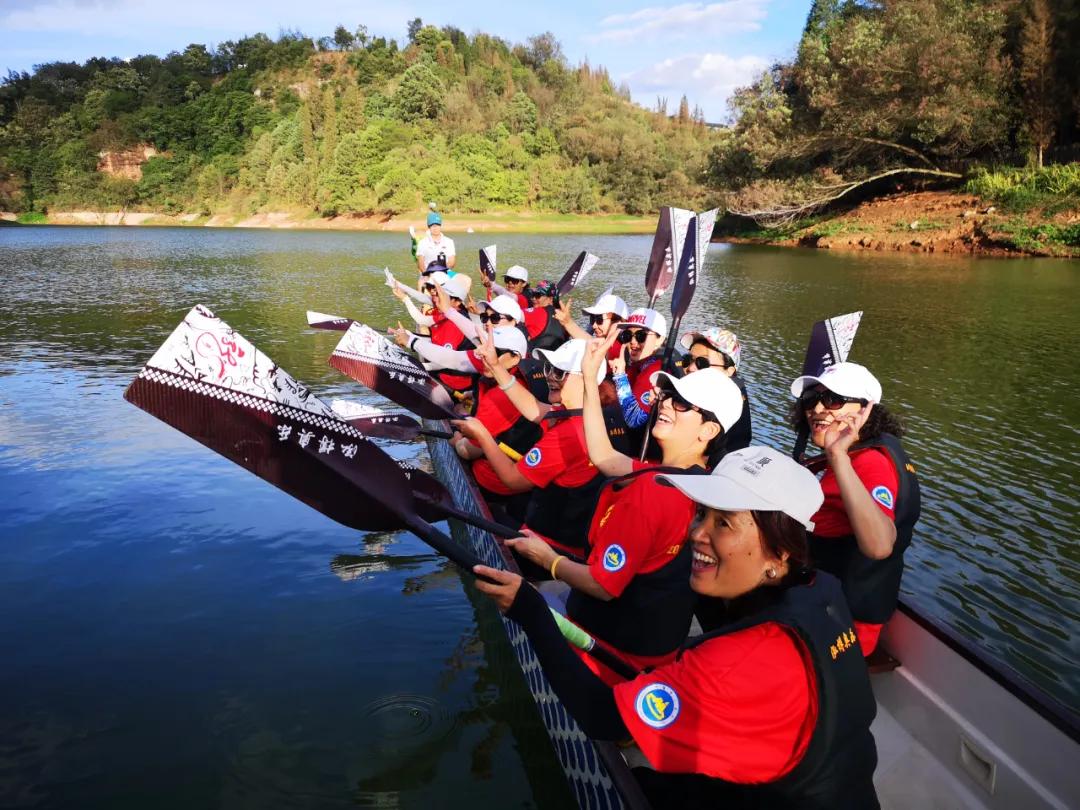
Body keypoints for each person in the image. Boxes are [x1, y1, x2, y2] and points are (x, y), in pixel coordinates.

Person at [474, 446, 880, 809]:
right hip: (840, 782)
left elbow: (602, 718)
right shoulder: (823, 590)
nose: (696, 533)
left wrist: (532, 613)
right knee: (651, 780)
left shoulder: (737, 662)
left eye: (724, 524)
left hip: (790, 796)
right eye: (702, 514)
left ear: (781, 551)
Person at [506, 334, 744, 681]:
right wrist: (589, 380)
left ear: (708, 429)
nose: (664, 404)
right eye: (669, 395)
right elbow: (604, 456)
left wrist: (547, 559)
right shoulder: (697, 477)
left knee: (518, 595)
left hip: (612, 651)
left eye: (681, 403)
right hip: (656, 645)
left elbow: (603, 586)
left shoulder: (654, 491)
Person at [789, 361, 921, 656]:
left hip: (840, 625)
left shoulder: (869, 464)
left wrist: (837, 455)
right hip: (819, 599)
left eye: (833, 400)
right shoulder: (850, 454)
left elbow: (879, 546)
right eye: (812, 400)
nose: (819, 409)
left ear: (865, 410)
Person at [452, 339, 607, 561]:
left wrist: (483, 436)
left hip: (551, 548)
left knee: (495, 513)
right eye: (550, 368)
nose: (551, 376)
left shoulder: (568, 434)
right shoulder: (584, 413)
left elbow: (513, 480)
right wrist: (496, 367)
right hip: (566, 530)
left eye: (561, 372)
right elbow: (533, 407)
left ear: (587, 377)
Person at [391, 274, 474, 394]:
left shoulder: (453, 322)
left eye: (444, 298)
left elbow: (444, 361)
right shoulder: (446, 313)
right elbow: (423, 321)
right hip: (445, 370)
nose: (436, 300)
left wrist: (419, 367)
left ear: (457, 302)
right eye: (438, 296)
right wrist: (408, 336)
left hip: (456, 381)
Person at [678, 328, 752, 451]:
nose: (691, 368)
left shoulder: (725, 406)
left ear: (729, 371)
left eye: (702, 363)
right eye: (688, 359)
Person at [611, 308, 667, 429]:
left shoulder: (655, 370)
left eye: (641, 336)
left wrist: (620, 376)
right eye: (628, 335)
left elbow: (634, 420)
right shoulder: (639, 364)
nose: (632, 341)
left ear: (660, 339)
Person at [554, 286, 630, 364]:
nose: (594, 325)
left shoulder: (618, 346)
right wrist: (568, 323)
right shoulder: (607, 342)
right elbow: (590, 341)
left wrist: (568, 323)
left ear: (617, 321)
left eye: (599, 320)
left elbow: (595, 346)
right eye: (592, 319)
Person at [521, 280, 569, 352]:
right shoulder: (564, 316)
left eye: (538, 295)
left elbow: (513, 314)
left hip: (538, 357)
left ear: (550, 299)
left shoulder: (538, 312)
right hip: (557, 356)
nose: (533, 298)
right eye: (533, 294)